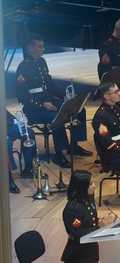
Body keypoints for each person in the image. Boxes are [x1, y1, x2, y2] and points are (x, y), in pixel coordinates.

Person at [15, 34, 91, 169]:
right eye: (40, 46)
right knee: (58, 117)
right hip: (35, 108)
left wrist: (67, 97)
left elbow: (49, 84)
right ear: (30, 48)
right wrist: (42, 104)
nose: (43, 49)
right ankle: (59, 154)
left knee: (79, 108)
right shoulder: (23, 67)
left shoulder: (41, 62)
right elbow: (22, 96)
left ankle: (74, 145)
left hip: (48, 101)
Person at [6, 109, 37, 192]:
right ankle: (8, 178)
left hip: (6, 126)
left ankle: (28, 168)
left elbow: (5, 113)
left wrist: (17, 121)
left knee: (29, 133)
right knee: (6, 143)